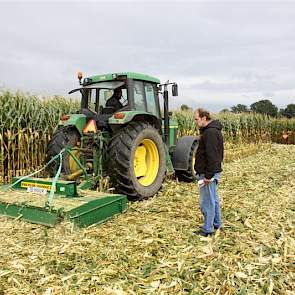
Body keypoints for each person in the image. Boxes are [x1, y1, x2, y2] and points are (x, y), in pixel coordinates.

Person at [194, 108, 224, 237]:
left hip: (208, 173)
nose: (195, 122)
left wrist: (208, 175)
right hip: (211, 171)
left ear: (204, 118)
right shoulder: (212, 131)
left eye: (197, 119)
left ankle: (207, 229)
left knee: (207, 201)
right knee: (214, 199)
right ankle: (217, 223)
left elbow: (212, 155)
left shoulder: (210, 133)